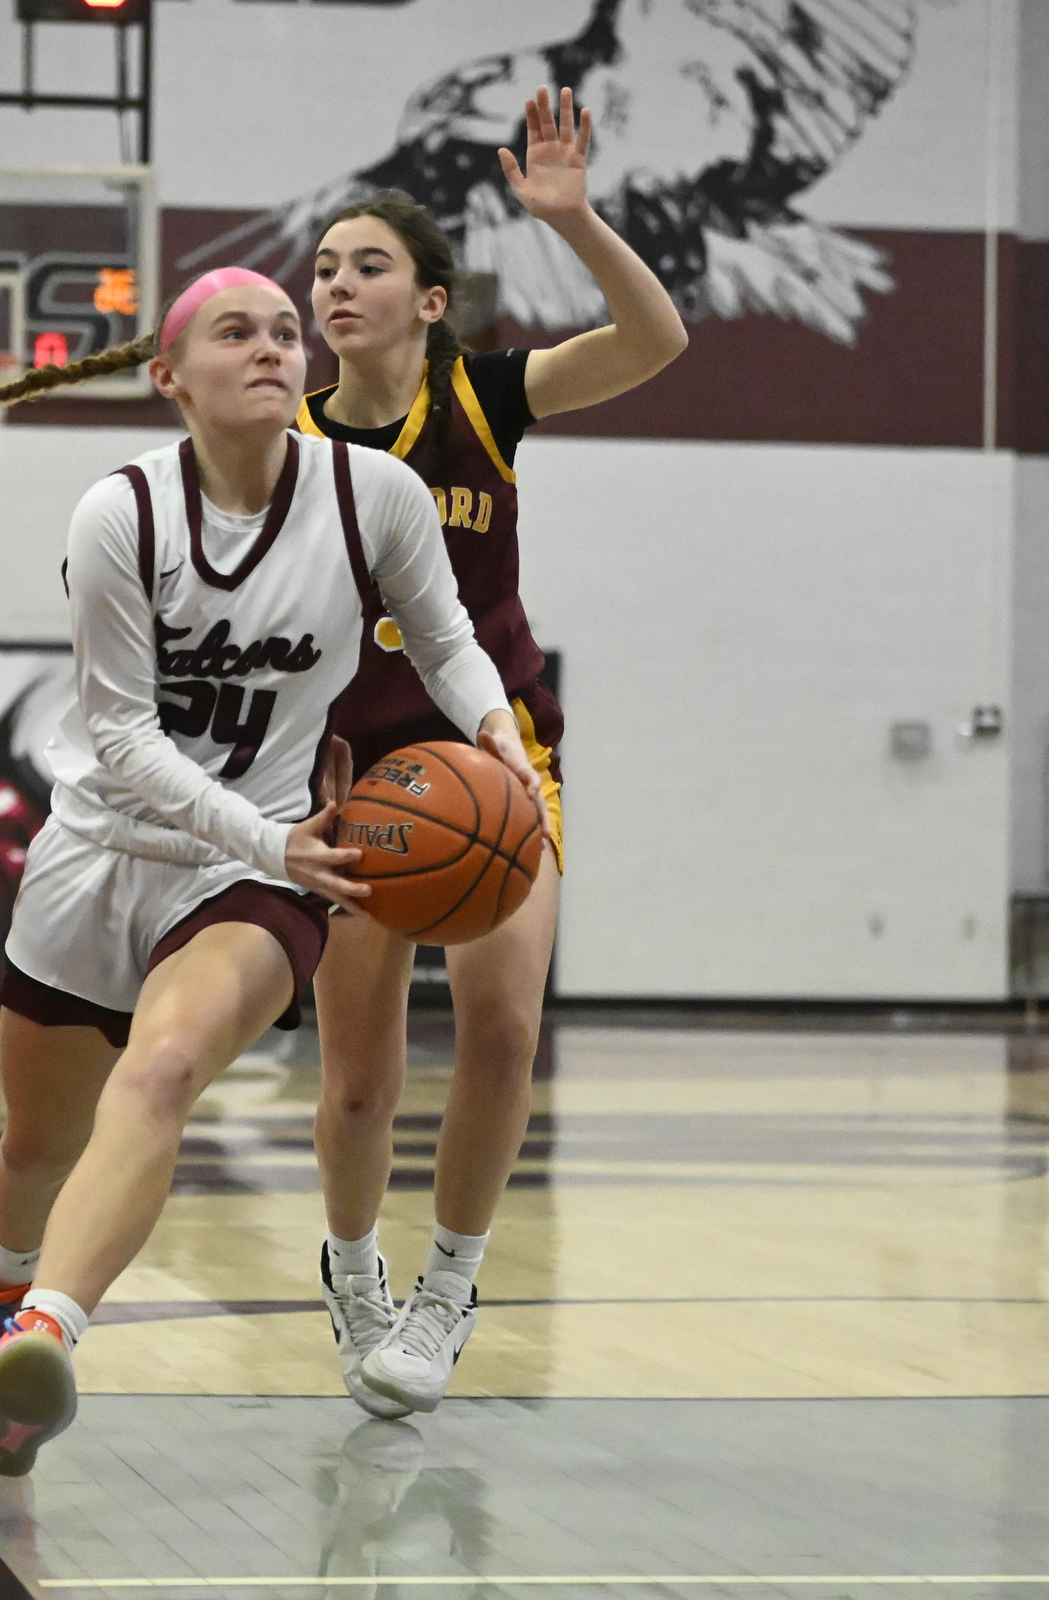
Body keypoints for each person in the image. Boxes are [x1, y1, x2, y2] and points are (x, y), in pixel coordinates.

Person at [0, 267, 541, 1476]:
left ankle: (48, 1337)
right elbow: (123, 739)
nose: (270, 346)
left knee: (159, 1074)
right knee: (35, 1150)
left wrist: (494, 729)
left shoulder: (377, 497)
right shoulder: (120, 514)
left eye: (285, 332)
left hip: (252, 873)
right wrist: (271, 837)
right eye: (234, 331)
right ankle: (4, 1282)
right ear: (169, 375)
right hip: (102, 850)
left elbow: (451, 637)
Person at [297, 88, 687, 1415]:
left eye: (369, 266)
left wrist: (574, 221)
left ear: (430, 299)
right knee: (357, 1079)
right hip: (353, 781)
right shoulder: (286, 443)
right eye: (327, 268)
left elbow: (657, 339)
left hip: (492, 751)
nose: (339, 284)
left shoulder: (486, 396)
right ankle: (354, 1273)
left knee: (506, 1031)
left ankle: (449, 1289)